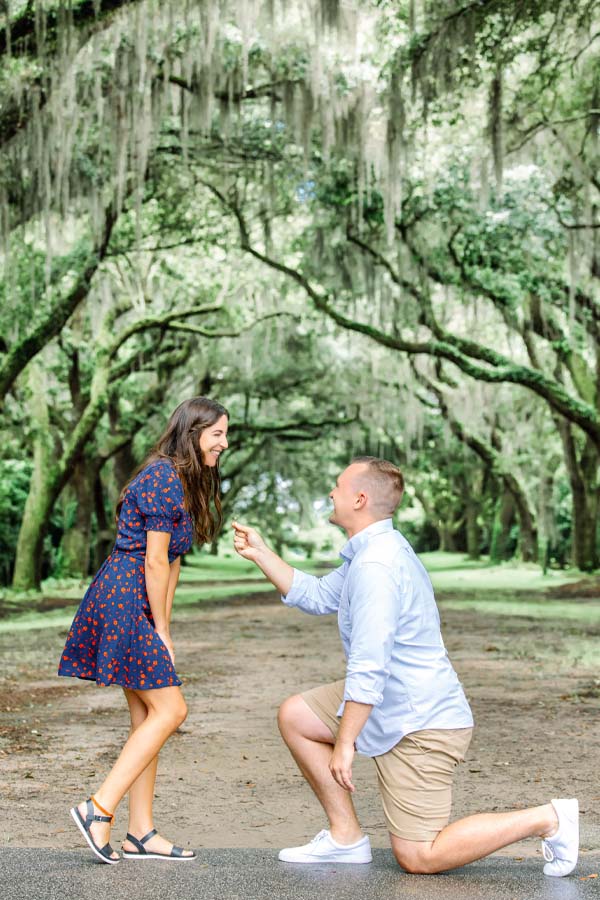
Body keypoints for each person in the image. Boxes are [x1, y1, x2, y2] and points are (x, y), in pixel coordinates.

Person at [232, 456, 578, 877]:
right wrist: (262, 554)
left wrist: (345, 742)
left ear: (359, 499)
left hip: (421, 723)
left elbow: (370, 665)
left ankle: (548, 818)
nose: (331, 493)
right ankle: (345, 839)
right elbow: (319, 595)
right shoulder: (369, 552)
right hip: (389, 704)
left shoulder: (378, 565)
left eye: (338, 486)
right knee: (297, 715)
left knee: (420, 856)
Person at [59, 396, 229, 864]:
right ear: (193, 432)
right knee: (172, 710)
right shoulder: (161, 478)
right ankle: (98, 809)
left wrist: (165, 628)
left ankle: (141, 832)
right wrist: (158, 630)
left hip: (139, 601)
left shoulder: (185, 484)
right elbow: (153, 559)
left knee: (147, 718)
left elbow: (172, 563)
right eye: (218, 434)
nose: (224, 443)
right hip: (124, 597)